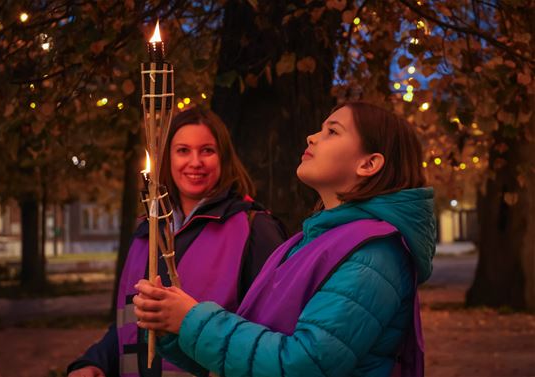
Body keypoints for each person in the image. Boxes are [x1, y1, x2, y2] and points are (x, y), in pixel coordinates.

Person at [134, 102, 436, 377]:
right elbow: (246, 358)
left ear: (368, 164)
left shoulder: (374, 254)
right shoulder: (304, 243)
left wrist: (192, 321)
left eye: (332, 131)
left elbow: (303, 364)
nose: (312, 137)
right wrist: (172, 328)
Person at [67, 107, 287, 377]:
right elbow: (130, 324)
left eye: (207, 150)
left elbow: (271, 336)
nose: (195, 162)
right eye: (183, 150)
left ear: (224, 158)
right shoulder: (147, 231)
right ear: (167, 158)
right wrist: (96, 361)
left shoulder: (255, 228)